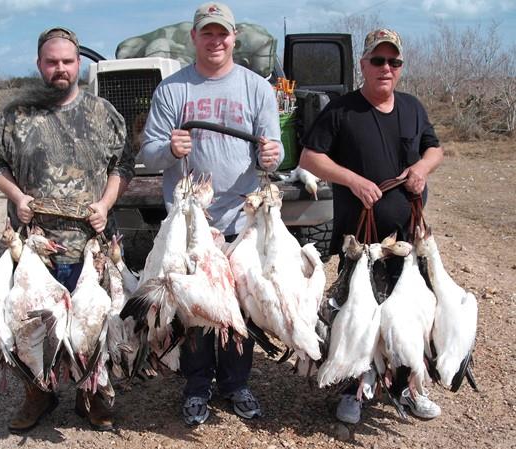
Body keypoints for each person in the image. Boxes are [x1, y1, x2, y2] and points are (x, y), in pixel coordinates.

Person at [0, 26, 135, 432]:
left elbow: (123, 166)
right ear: (39, 65)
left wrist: (105, 204)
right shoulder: (15, 116)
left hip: (90, 245)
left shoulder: (104, 114)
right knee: (30, 325)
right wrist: (17, 198)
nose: (60, 69)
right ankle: (39, 394)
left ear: (79, 63)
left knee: (93, 325)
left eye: (67, 61)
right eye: (51, 62)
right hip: (34, 249)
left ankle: (92, 396)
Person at [139, 2, 282, 426]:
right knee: (198, 310)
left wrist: (272, 155)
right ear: (194, 38)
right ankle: (197, 385)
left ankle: (236, 383)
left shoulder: (258, 89)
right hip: (189, 225)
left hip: (241, 219)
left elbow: (273, 156)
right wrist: (170, 149)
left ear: (234, 38)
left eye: (222, 33)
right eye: (207, 33)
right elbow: (148, 153)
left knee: (238, 305)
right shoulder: (173, 90)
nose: (215, 40)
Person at [299, 28, 444, 424]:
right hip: (360, 240)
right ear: (363, 64)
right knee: (358, 316)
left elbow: (435, 148)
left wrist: (421, 169)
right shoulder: (341, 110)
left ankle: (407, 389)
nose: (385, 68)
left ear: (400, 68)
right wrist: (353, 180)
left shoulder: (413, 108)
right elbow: (311, 158)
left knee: (410, 318)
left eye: (393, 62)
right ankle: (352, 391)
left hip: (408, 243)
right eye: (378, 61)